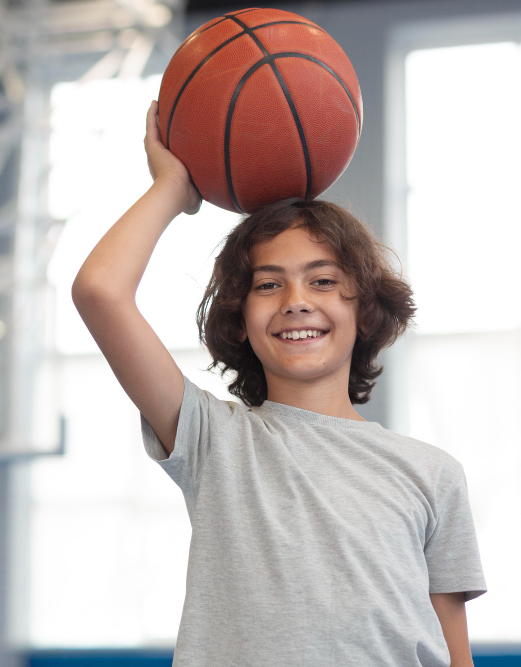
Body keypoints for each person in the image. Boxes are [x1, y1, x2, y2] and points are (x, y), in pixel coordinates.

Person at [71, 100, 487, 667]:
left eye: (322, 281)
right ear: (238, 321)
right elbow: (100, 290)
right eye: (268, 285)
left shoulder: (433, 473)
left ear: (364, 308)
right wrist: (173, 188)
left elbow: (451, 651)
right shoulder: (213, 440)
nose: (296, 302)